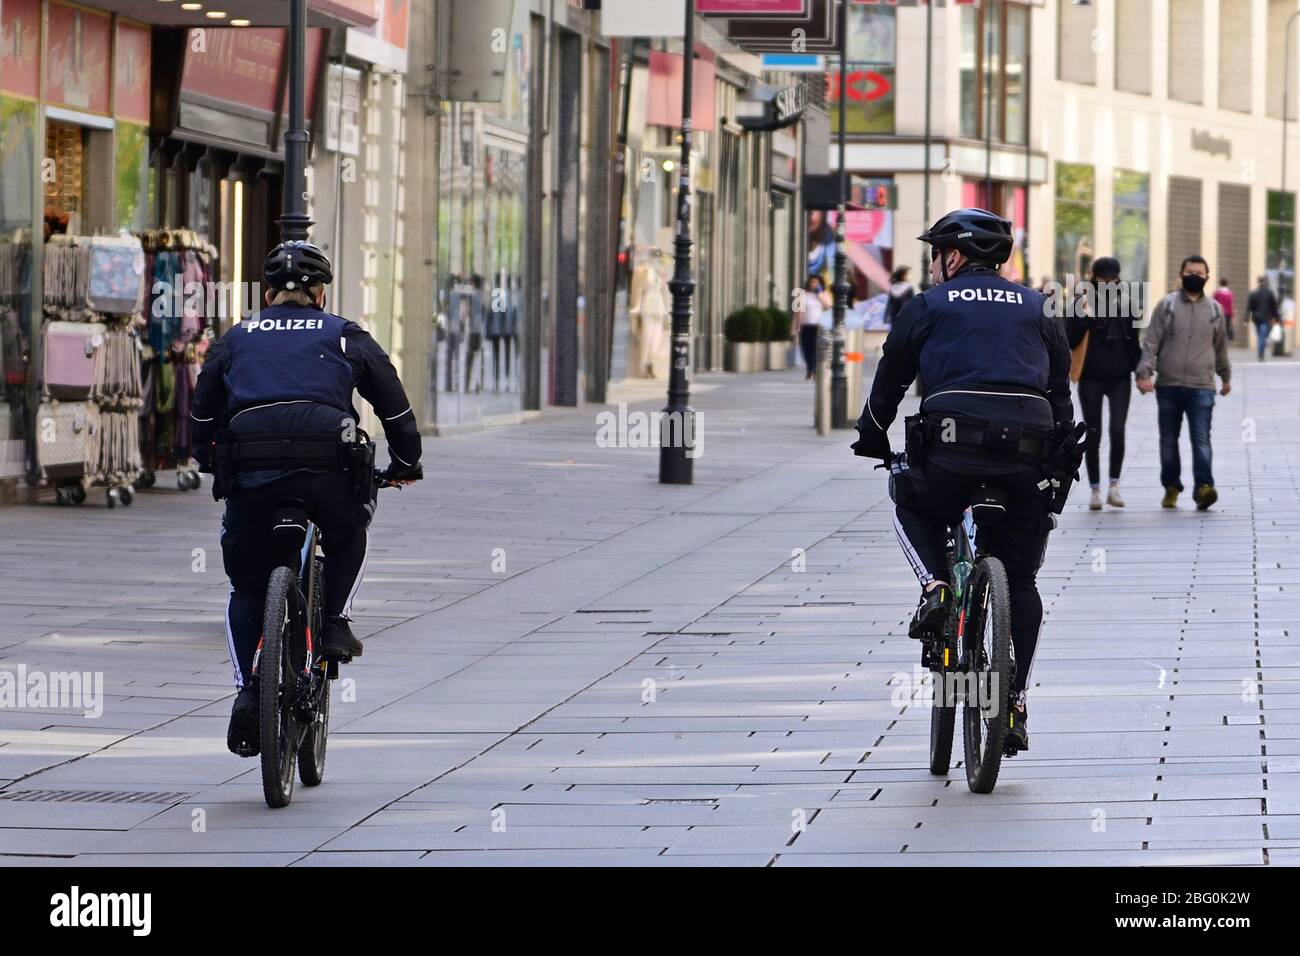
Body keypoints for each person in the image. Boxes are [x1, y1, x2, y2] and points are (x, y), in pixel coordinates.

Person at [852, 208, 1075, 753]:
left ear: (953, 257)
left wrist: (873, 434)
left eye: (935, 255)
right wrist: (1058, 460)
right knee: (1021, 582)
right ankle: (1015, 700)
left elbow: (891, 378)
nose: (932, 267)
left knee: (911, 497)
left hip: (950, 451)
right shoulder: (1039, 306)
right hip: (1028, 453)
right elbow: (1060, 390)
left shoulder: (927, 306)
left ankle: (935, 585)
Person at [191, 240, 425, 756]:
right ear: (320, 294)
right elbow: (394, 405)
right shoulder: (345, 335)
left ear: (269, 293)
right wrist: (406, 462)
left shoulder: (236, 338)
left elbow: (203, 411)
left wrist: (206, 458)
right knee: (348, 532)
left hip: (252, 469)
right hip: (328, 468)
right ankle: (335, 620)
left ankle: (249, 691)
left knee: (247, 586)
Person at [1136, 255, 1231, 510]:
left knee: (1201, 439)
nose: (1195, 276)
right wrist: (1144, 373)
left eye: (1200, 273)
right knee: (1168, 440)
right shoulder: (1166, 305)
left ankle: (1204, 488)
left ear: (1207, 277)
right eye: (1190, 271)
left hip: (1202, 386)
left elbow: (1221, 348)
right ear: (1181, 274)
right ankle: (1171, 486)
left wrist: (1226, 377)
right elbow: (1151, 342)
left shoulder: (1214, 310)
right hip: (1168, 385)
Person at [1065, 257, 1140, 510]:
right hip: (1090, 376)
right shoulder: (1080, 303)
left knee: (1118, 430)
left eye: (1112, 279)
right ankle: (1095, 490)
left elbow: (1134, 343)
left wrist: (1140, 371)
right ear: (1092, 277)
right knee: (1093, 433)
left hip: (1120, 377)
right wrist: (1086, 317)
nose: (1107, 283)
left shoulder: (1128, 303)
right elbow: (1069, 339)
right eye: (1102, 279)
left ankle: (1114, 487)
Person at [794, 275, 831, 379]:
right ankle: (809, 370)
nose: (814, 284)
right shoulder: (803, 294)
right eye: (812, 282)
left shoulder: (823, 294)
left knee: (816, 350)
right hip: (806, 325)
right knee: (806, 349)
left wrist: (820, 296)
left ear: (820, 284)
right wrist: (795, 326)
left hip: (819, 326)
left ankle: (815, 371)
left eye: (816, 282)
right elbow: (797, 312)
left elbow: (829, 306)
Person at [1245, 274, 1280, 362]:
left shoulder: (1253, 293)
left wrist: (1246, 319)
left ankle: (1261, 355)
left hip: (1256, 318)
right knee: (1262, 337)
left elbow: (1249, 307)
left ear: (1258, 282)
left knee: (1260, 337)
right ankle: (1261, 356)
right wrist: (1277, 318)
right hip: (1266, 318)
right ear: (1265, 281)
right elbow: (1274, 306)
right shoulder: (1269, 292)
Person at [1212, 277, 1235, 341]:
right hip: (1227, 314)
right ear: (1227, 284)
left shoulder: (1217, 292)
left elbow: (1213, 302)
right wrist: (1232, 316)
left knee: (1218, 328)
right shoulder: (1229, 293)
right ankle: (1223, 342)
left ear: (1220, 283)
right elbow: (1231, 305)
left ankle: (1218, 341)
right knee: (1226, 329)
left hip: (1218, 313)